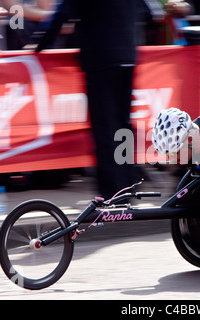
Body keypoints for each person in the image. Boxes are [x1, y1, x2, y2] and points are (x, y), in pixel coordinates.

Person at [36, 0, 138, 200]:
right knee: (123, 126)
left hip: (101, 57)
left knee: (105, 129)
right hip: (128, 53)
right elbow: (150, 13)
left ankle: (112, 192)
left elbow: (63, 12)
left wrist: (39, 45)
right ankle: (127, 184)